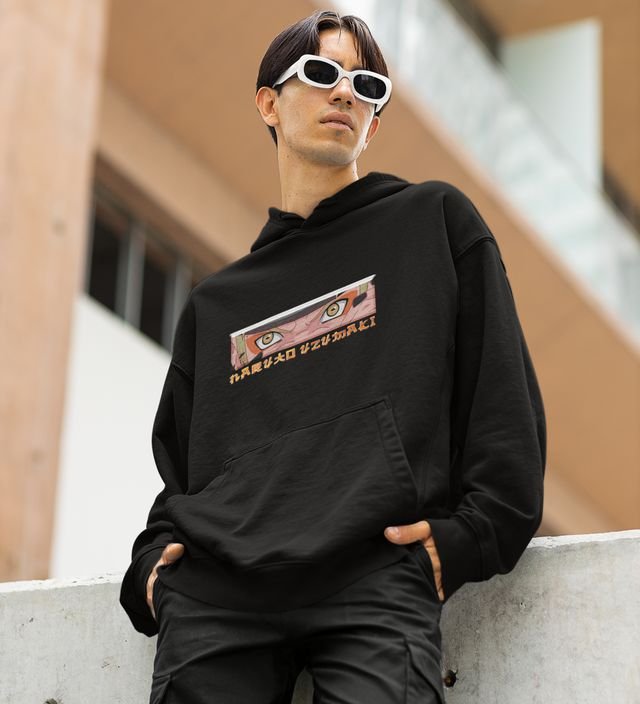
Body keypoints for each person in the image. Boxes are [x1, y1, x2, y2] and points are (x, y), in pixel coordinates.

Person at [119, 9, 546, 704]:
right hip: (220, 596)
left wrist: (469, 538)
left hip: (376, 572)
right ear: (269, 104)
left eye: (366, 85)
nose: (345, 92)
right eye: (322, 73)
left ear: (372, 123)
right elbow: (184, 472)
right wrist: (150, 572)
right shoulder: (218, 305)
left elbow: (501, 402)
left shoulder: (433, 223)